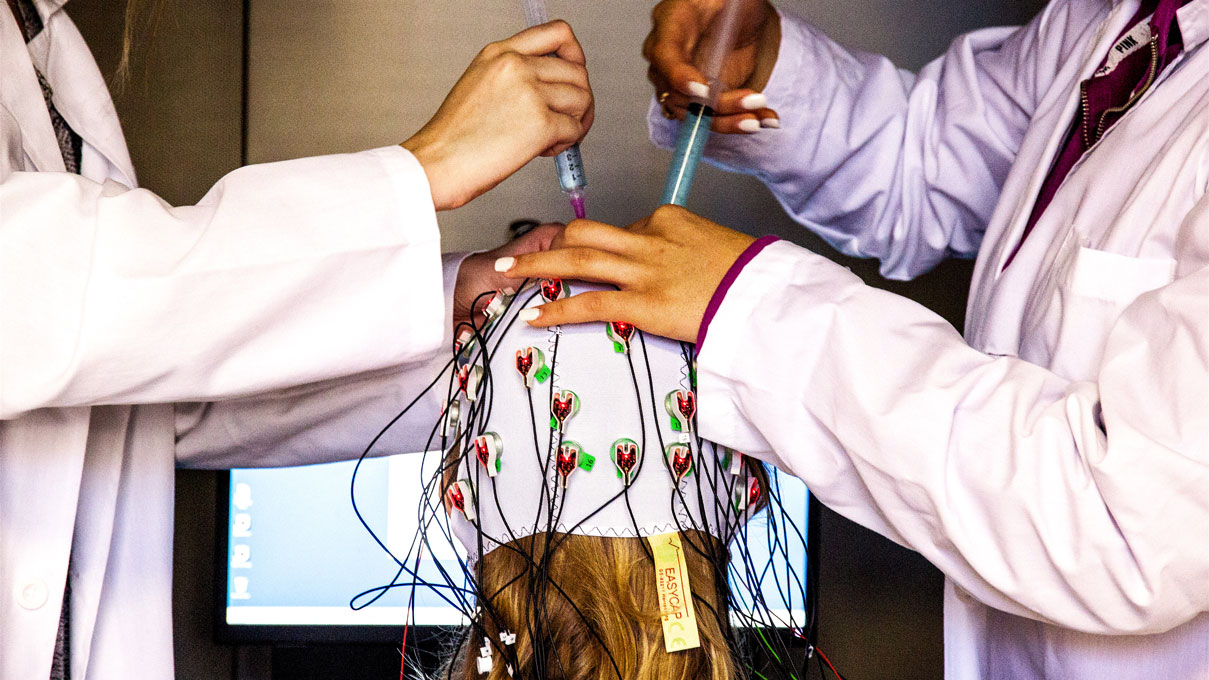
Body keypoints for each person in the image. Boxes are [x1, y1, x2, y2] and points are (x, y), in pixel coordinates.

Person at [498, 0, 1209, 678]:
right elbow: (927, 161)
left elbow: (1129, 523)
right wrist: (768, 63)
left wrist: (745, 311)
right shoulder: (1112, 19)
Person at [0, 0, 593, 676]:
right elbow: (22, 304)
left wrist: (464, 306)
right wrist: (420, 172)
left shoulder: (42, 31)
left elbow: (135, 392)